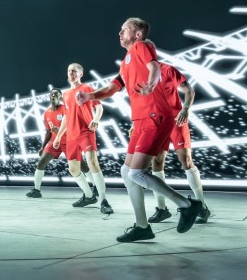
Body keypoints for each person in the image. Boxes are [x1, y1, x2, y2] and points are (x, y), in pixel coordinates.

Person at [76, 17, 203, 242]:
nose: (119, 32)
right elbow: (112, 88)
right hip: (141, 120)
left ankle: (187, 204)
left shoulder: (141, 46)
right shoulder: (126, 60)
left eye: (124, 29)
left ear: (136, 34)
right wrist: (90, 96)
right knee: (127, 172)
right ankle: (142, 227)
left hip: (156, 116)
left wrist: (153, 83)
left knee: (136, 172)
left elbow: (154, 67)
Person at [146, 62, 210, 224]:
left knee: (186, 160)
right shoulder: (140, 73)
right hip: (156, 121)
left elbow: (189, 90)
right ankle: (161, 209)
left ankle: (201, 206)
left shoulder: (167, 70)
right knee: (156, 162)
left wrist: (185, 108)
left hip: (176, 119)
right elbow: (143, 100)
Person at [52, 64, 113, 215]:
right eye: (68, 70)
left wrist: (96, 119)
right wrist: (59, 136)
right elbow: (66, 116)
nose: (70, 72)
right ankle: (89, 196)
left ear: (81, 73)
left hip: (85, 131)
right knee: (73, 169)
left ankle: (104, 201)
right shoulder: (65, 94)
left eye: (74, 70)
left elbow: (99, 107)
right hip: (71, 136)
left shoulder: (87, 88)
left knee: (92, 161)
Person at [26, 88, 97, 198]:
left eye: (56, 94)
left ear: (60, 97)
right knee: (41, 162)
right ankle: (36, 190)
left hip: (69, 141)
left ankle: (95, 186)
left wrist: (59, 130)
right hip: (54, 142)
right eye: (52, 94)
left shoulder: (65, 109)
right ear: (49, 97)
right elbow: (48, 131)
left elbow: (73, 126)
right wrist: (43, 146)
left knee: (81, 166)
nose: (53, 96)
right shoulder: (47, 113)